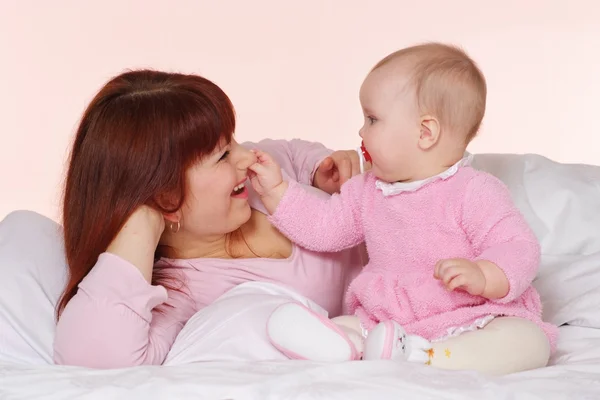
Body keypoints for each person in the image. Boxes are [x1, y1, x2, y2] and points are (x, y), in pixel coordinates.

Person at [248, 42, 559, 375]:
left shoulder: (474, 190)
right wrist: (277, 191)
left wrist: (484, 275)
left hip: (469, 314)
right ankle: (342, 343)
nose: (360, 131)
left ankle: (430, 358)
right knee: (349, 325)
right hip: (389, 319)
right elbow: (324, 227)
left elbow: (517, 246)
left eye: (372, 119)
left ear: (424, 132)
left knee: (527, 340)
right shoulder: (366, 192)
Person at [53, 69, 366, 368]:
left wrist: (319, 168)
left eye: (232, 140)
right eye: (222, 155)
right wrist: (140, 224)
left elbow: (290, 153)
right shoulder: (179, 295)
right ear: (166, 199)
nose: (246, 155)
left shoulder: (256, 180)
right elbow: (94, 356)